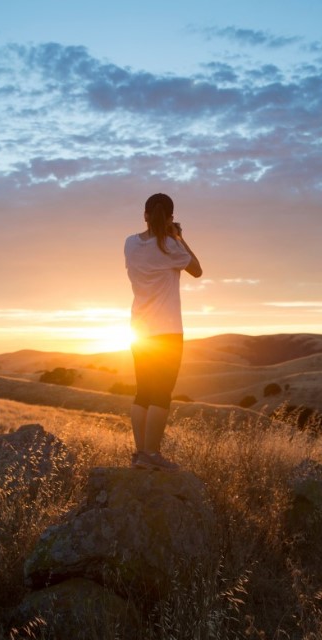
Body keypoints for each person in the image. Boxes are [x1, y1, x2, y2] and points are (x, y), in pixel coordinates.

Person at [124, 193, 202, 471]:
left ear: (145, 214)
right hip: (167, 331)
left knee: (142, 391)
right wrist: (178, 236)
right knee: (162, 393)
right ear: (170, 218)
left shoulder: (130, 243)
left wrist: (167, 233)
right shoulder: (171, 246)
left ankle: (140, 454)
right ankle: (152, 455)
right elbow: (197, 270)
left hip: (140, 330)